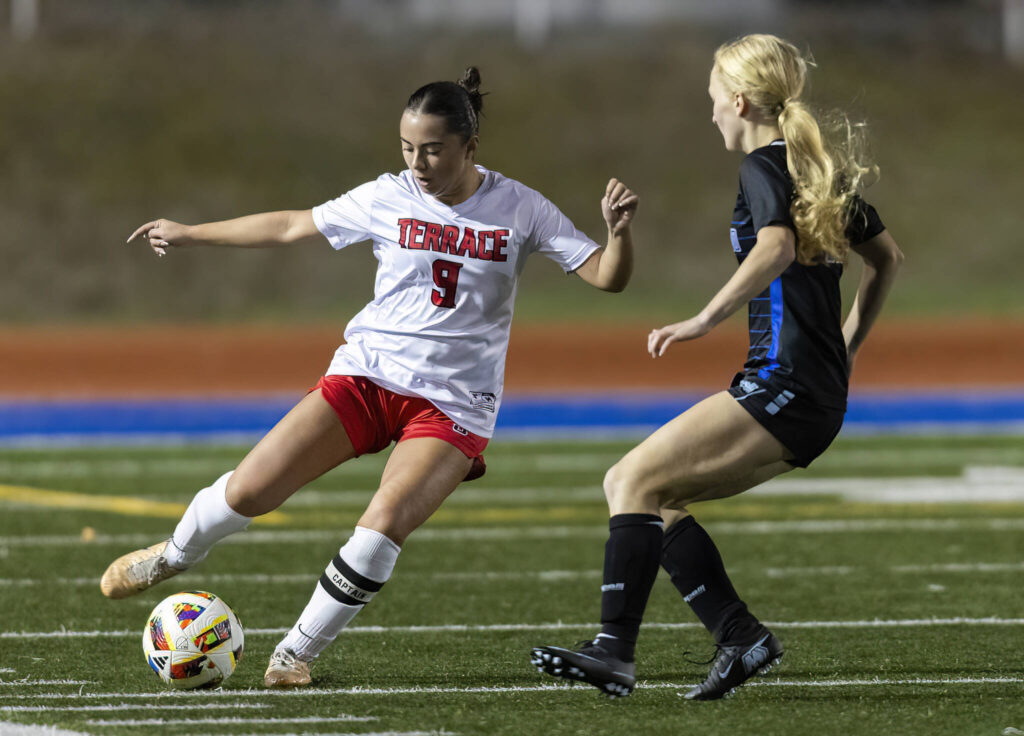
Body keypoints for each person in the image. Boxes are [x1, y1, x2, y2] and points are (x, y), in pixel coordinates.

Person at [100, 67, 639, 689]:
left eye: (434, 149)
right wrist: (192, 233)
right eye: (408, 148)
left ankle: (293, 654)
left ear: (471, 146)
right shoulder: (387, 195)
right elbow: (290, 224)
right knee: (250, 490)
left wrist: (618, 235)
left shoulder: (522, 207)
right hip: (367, 376)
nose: (419, 163)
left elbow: (607, 275)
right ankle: (172, 555)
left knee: (382, 523)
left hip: (454, 405)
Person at [532, 34, 903, 700]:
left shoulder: (765, 167)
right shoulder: (816, 171)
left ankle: (616, 652)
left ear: (738, 100)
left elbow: (777, 249)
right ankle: (738, 638)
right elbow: (888, 260)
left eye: (712, 101)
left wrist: (703, 320)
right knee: (649, 496)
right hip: (810, 395)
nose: (710, 114)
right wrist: (846, 347)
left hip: (783, 386)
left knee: (629, 478)